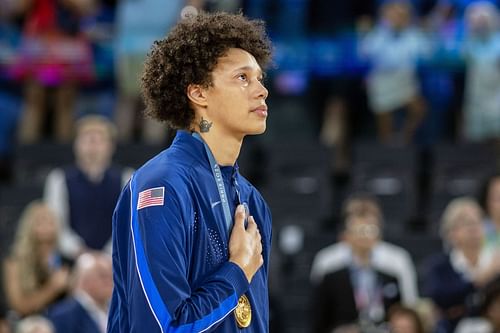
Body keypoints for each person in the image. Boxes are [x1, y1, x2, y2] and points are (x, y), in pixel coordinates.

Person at [107, 11, 272, 333]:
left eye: (260, 78)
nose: (261, 90)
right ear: (199, 93)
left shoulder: (252, 199)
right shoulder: (160, 185)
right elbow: (163, 326)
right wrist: (237, 269)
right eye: (242, 78)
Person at [309, 193, 419, 333]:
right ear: (345, 235)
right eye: (359, 230)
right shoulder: (329, 267)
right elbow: (319, 317)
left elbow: (406, 310)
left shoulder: (393, 270)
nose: (365, 236)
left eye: (370, 230)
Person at [44, 115, 133, 260]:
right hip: (72, 262)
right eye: (86, 139)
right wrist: (80, 252)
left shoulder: (127, 178)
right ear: (75, 145)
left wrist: (107, 255)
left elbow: (128, 224)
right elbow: (56, 225)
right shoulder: (58, 179)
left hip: (115, 262)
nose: (92, 145)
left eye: (98, 140)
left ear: (111, 146)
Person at [422, 197, 500, 333]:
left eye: (478, 221)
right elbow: (442, 297)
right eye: (466, 223)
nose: (474, 229)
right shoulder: (439, 266)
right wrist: (479, 280)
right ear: (450, 233)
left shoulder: (496, 260)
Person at [3, 201, 70, 318]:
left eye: (50, 220)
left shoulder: (65, 261)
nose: (46, 225)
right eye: (40, 220)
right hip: (28, 322)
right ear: (29, 225)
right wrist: (52, 288)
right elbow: (19, 306)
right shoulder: (15, 262)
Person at [47, 251, 113, 333]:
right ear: (84, 279)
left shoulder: (116, 311)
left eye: (111, 275)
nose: (110, 281)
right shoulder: (64, 315)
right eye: (103, 276)